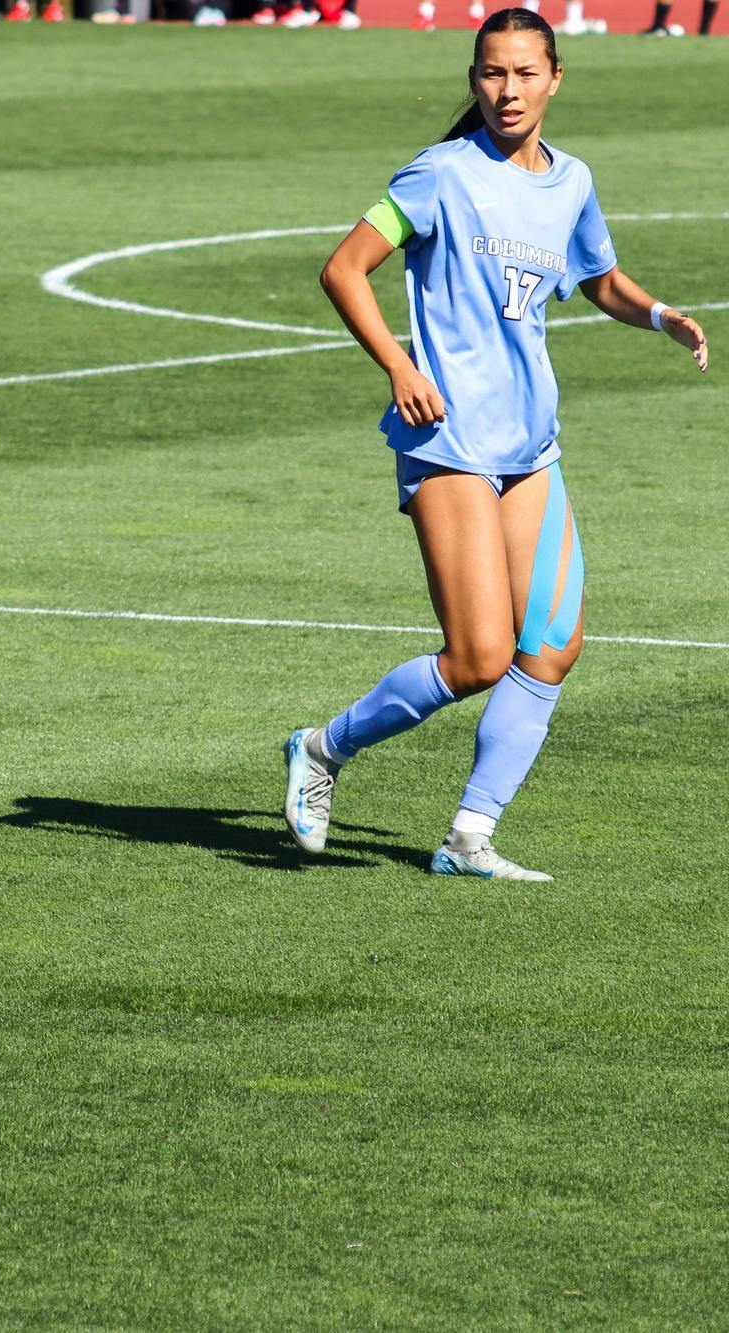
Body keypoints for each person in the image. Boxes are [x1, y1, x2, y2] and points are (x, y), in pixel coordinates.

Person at [282, 7, 708, 880]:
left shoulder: (573, 180)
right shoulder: (439, 175)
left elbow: (596, 276)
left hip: (531, 446)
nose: (505, 91)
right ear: (473, 80)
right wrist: (399, 365)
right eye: (489, 74)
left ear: (555, 79)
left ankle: (469, 837)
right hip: (449, 440)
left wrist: (659, 314)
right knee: (478, 654)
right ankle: (323, 747)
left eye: (522, 74)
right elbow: (342, 267)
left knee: (550, 645)